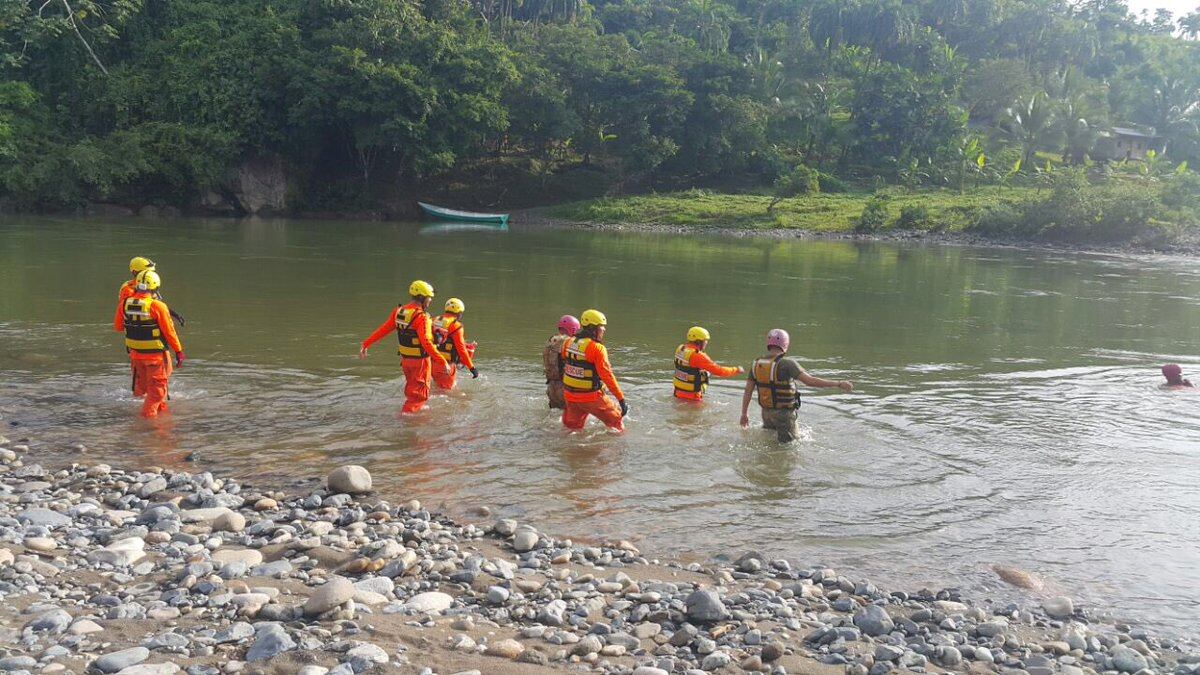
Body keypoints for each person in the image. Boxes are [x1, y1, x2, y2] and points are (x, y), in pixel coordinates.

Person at [739, 328, 852, 442]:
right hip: (784, 415)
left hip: (766, 413)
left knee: (770, 442)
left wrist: (744, 414)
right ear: (785, 344)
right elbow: (810, 381)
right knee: (790, 446)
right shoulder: (787, 363)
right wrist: (838, 384)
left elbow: (748, 391)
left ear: (769, 344)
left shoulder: (756, 364)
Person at [359, 280, 451, 414]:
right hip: (420, 362)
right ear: (422, 297)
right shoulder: (422, 316)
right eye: (429, 298)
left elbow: (383, 330)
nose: (430, 300)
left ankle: (413, 413)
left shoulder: (399, 312)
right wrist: (442, 361)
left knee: (413, 392)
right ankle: (408, 423)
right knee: (419, 396)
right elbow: (426, 342)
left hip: (406, 361)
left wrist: (366, 343)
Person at [122, 270, 184, 418]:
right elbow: (169, 332)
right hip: (155, 358)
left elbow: (118, 326)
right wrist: (179, 352)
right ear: (155, 286)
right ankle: (149, 427)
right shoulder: (157, 306)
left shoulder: (125, 303)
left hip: (136, 357)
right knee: (157, 393)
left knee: (148, 391)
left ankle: (163, 418)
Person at [561, 309, 628, 432]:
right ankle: (620, 449)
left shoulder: (568, 342)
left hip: (570, 396)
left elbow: (567, 364)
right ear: (593, 329)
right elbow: (607, 375)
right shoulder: (597, 348)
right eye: (601, 327)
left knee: (571, 429)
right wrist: (621, 399)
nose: (604, 329)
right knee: (616, 422)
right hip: (591, 397)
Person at [673, 326, 744, 401]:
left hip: (677, 394)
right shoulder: (698, 355)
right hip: (693, 398)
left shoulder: (681, 349)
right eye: (705, 340)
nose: (706, 343)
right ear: (700, 341)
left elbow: (687, 368)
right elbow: (719, 371)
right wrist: (736, 370)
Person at [431, 297, 478, 391]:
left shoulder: (434, 320)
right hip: (446, 366)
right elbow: (461, 350)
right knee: (446, 393)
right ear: (459, 312)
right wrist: (472, 368)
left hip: (431, 363)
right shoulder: (456, 325)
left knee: (435, 388)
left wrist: (468, 345)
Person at [543, 315, 579, 410]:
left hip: (551, 388)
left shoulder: (550, 342)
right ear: (574, 329)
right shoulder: (571, 343)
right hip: (565, 388)